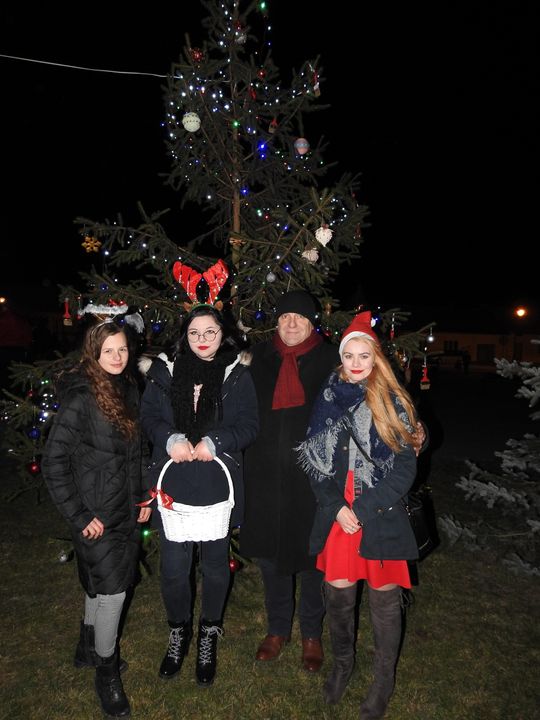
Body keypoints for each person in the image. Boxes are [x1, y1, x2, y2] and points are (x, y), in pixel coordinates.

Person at [297, 311, 420, 719]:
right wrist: (336, 508)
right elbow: (315, 464)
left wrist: (362, 510)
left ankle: (383, 681)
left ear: (376, 358)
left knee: (385, 605)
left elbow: (404, 470)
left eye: (363, 356)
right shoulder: (328, 396)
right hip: (339, 516)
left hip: (379, 512)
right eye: (348, 355)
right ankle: (343, 664)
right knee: (338, 598)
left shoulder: (393, 402)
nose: (355, 363)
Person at [139, 303, 258, 687]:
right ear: (184, 336)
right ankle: (179, 631)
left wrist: (216, 441)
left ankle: (209, 632)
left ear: (223, 334)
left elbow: (250, 425)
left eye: (210, 332)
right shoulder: (164, 371)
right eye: (194, 333)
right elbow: (149, 417)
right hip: (173, 485)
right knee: (174, 568)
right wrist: (169, 437)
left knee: (215, 565)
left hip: (215, 485)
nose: (202, 340)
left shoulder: (237, 374)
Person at [42, 309, 150, 719]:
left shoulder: (128, 388)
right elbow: (54, 462)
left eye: (123, 349)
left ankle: (87, 648)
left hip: (124, 509)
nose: (118, 357)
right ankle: (107, 672)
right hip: (96, 516)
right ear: (94, 353)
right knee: (113, 592)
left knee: (99, 584)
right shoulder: (82, 398)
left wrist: (143, 498)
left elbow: (137, 453)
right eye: (109, 351)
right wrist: (79, 514)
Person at [240, 290, 338, 673]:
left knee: (314, 555)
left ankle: (311, 633)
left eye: (299, 317)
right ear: (277, 322)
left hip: (314, 477)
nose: (291, 323)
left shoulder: (332, 360)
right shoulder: (257, 359)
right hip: (265, 474)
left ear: (312, 322)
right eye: (285, 317)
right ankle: (278, 628)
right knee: (271, 555)